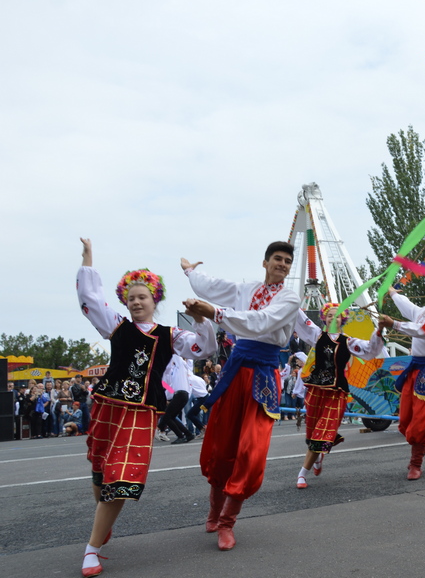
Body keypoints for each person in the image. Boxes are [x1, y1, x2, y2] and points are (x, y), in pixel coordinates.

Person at [76, 238, 215, 577]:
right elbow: (90, 299)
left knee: (122, 477)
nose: (137, 302)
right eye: (131, 297)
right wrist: (88, 259)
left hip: (141, 413)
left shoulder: (170, 335)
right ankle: (102, 523)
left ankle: (92, 548)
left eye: (143, 296)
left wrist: (201, 319)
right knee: (100, 473)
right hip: (109, 405)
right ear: (125, 301)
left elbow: (203, 348)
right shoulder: (116, 326)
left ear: (155, 300)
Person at [181, 241, 301, 551]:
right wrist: (191, 272)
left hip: (263, 376)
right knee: (222, 446)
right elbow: (212, 286)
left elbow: (262, 322)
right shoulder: (245, 289)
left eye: (288, 261)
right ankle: (213, 508)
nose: (283, 265)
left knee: (251, 450)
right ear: (265, 262)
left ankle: (227, 522)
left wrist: (216, 313)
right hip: (235, 372)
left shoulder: (289, 298)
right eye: (278, 259)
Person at [293, 303, 385, 488]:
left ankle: (302, 474)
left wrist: (380, 329)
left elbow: (371, 349)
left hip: (336, 392)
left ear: (342, 319)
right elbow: (300, 320)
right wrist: (290, 301)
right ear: (324, 318)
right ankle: (318, 457)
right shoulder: (317, 335)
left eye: (336, 316)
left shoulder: (349, 342)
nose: (332, 318)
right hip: (316, 389)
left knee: (322, 433)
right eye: (329, 315)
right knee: (312, 434)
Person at [379, 280, 425, 480]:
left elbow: (424, 331)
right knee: (405, 417)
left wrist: (393, 324)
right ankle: (420, 446)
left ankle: (416, 463)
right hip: (415, 369)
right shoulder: (421, 312)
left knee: (422, 419)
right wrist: (392, 292)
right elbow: (406, 306)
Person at [157, 355, 194, 444]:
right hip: (179, 395)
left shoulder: (181, 366)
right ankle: (188, 434)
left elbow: (175, 355)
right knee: (171, 417)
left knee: (167, 417)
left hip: (181, 394)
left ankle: (181, 435)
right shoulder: (175, 371)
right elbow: (168, 385)